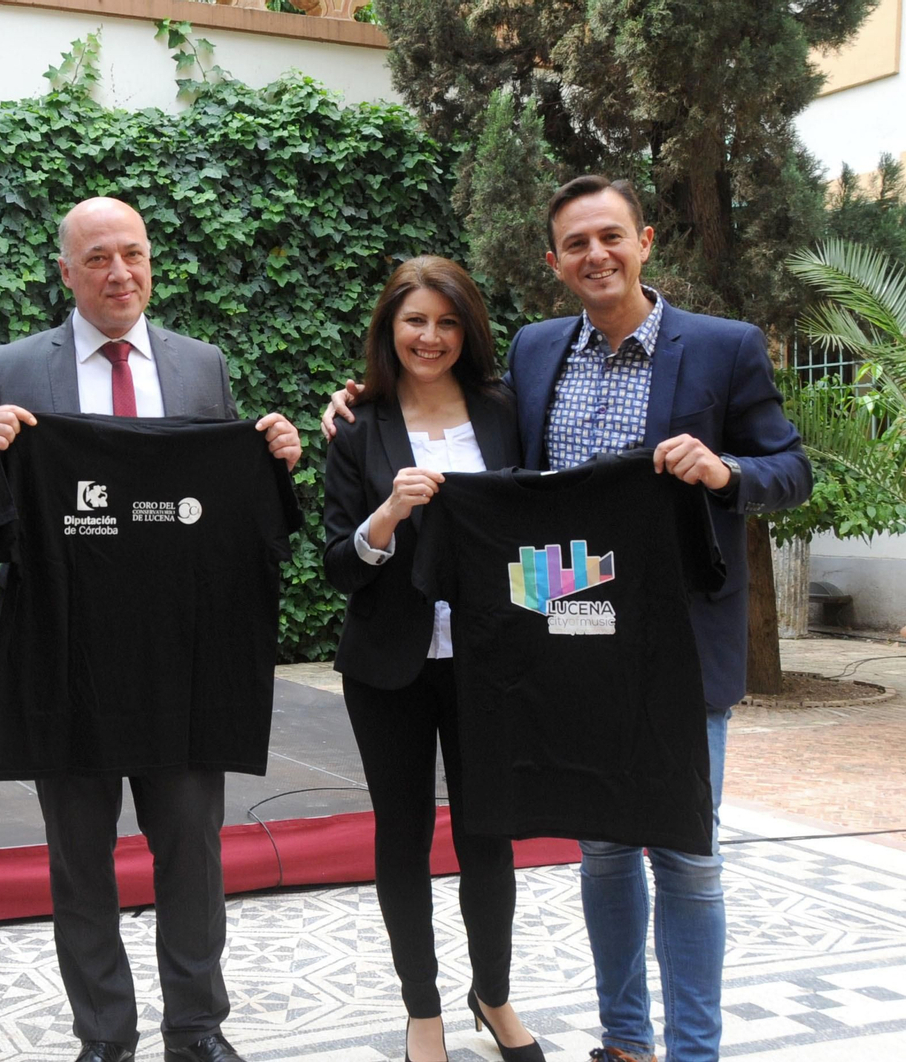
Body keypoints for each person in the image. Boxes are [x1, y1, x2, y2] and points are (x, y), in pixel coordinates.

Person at [323, 176, 813, 1062]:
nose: (596, 255)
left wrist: (723, 471)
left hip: (675, 646)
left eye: (610, 237)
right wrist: (358, 405)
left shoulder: (722, 347)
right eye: (576, 244)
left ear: (645, 240)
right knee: (604, 853)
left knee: (689, 860)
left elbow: (789, 468)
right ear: (553, 261)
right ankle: (624, 1040)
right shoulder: (540, 355)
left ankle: (690, 1051)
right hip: (563, 638)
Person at [0, 196, 301, 1062]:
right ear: (65, 272)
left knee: (194, 854)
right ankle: (103, 1038)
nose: (120, 273)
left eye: (134, 255)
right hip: (61, 658)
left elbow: (225, 504)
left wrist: (275, 453)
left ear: (152, 263)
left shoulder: (201, 366)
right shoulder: (13, 369)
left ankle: (197, 1030)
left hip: (181, 658)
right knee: (81, 864)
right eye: (99, 258)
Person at [322, 257, 540, 1062]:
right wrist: (386, 515)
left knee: (490, 835)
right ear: (390, 328)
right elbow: (336, 564)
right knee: (402, 833)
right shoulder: (358, 424)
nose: (431, 337)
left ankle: (494, 995)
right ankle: (423, 1009)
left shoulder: (505, 411)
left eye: (448, 322)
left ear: (468, 331)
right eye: (415, 321)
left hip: (492, 658)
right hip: (388, 664)